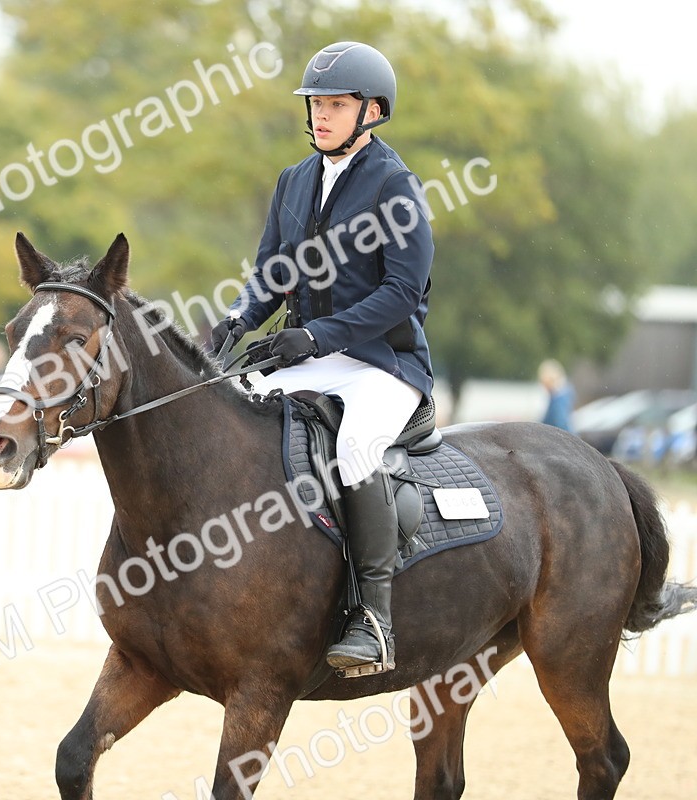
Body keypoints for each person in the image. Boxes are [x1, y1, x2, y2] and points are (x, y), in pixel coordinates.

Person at [210, 41, 434, 675]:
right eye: (316, 104)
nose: (322, 115)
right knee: (234, 419)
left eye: (336, 104)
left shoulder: (396, 186)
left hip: (382, 366)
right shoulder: (294, 180)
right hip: (309, 357)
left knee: (355, 448)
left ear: (373, 111)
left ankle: (373, 618)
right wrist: (235, 322)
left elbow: (403, 292)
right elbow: (271, 274)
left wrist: (316, 337)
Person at [538, 359, 574, 432]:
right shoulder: (557, 397)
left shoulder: (559, 400)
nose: (544, 387)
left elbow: (560, 424)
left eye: (545, 383)